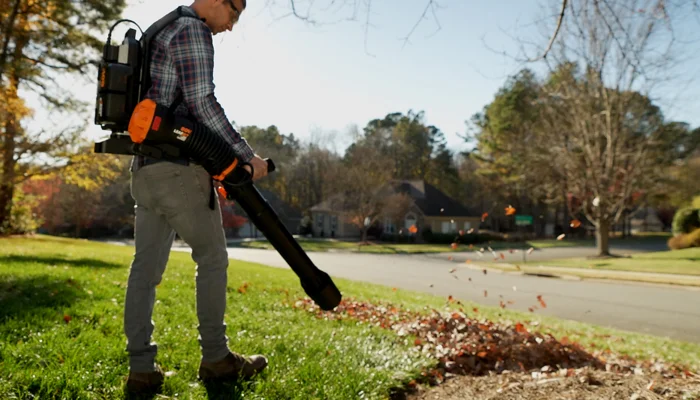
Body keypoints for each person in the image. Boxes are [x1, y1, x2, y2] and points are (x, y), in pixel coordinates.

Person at [123, 0, 269, 394]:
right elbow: (202, 102)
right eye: (235, 12)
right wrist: (247, 155)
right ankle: (217, 359)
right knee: (212, 259)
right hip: (179, 172)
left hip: (144, 170)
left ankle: (141, 369)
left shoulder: (159, 28)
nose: (232, 25)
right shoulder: (192, 29)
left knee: (145, 270)